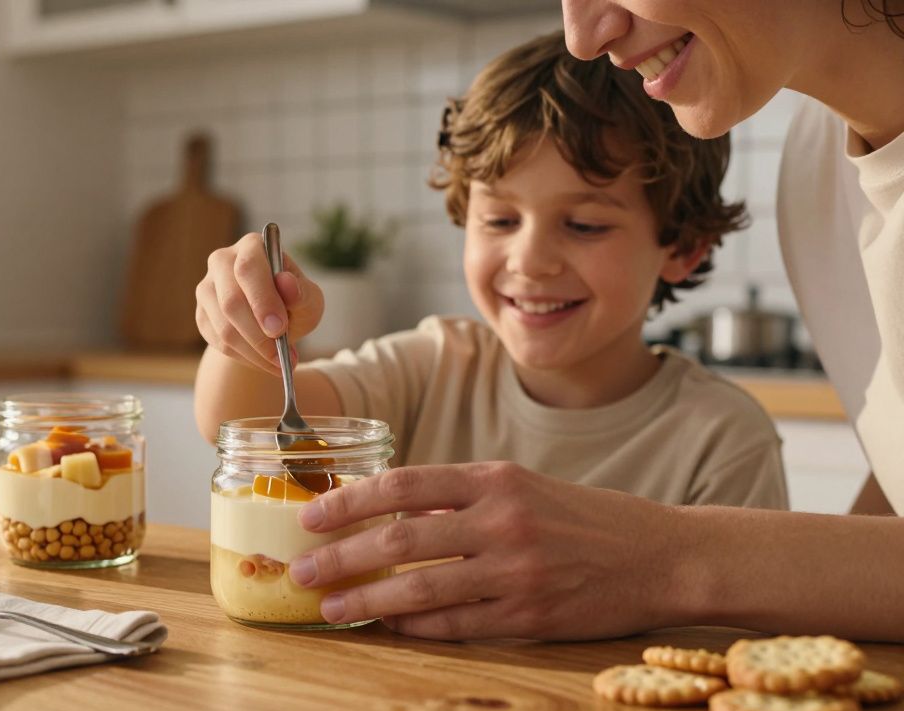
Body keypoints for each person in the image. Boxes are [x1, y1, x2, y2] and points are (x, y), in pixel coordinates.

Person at [256, 0, 904, 642]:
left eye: (585, 225)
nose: (584, 35)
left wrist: (666, 562)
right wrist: (248, 323)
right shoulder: (819, 162)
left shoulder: (720, 433)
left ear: (681, 248)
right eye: (501, 220)